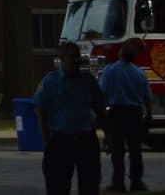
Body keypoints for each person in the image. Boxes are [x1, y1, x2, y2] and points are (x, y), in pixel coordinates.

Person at [34, 41, 109, 195]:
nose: (76, 60)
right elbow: (41, 111)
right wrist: (48, 140)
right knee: (57, 185)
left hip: (86, 139)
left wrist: (109, 134)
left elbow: (100, 110)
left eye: (78, 56)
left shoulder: (88, 80)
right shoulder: (50, 81)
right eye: (72, 57)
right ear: (61, 58)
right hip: (60, 140)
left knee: (90, 185)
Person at [99, 39, 151, 191]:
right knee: (135, 149)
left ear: (120, 53)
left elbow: (103, 94)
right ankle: (136, 181)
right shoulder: (140, 73)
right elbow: (147, 98)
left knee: (117, 150)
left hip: (116, 112)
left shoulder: (110, 70)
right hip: (134, 113)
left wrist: (103, 114)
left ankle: (118, 182)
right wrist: (149, 115)